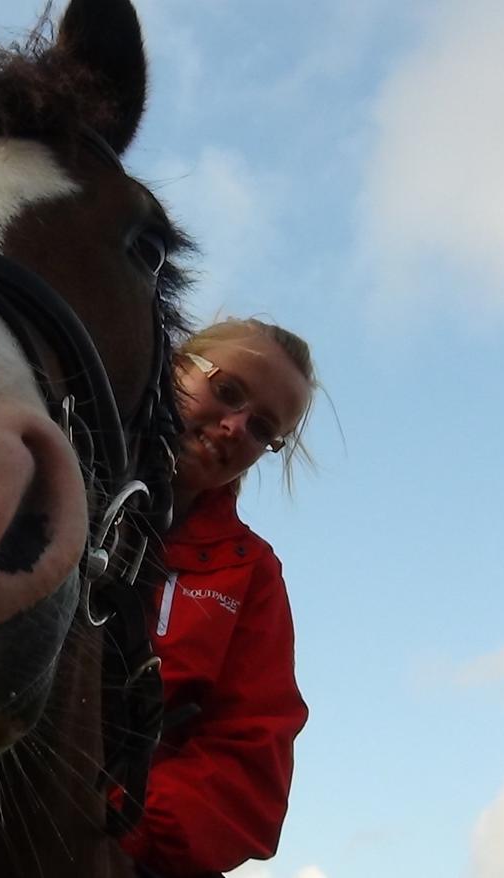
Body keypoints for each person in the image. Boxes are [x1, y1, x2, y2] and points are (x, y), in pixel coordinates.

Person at [120, 317, 317, 878]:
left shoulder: (251, 573)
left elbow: (252, 756)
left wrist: (116, 822)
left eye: (262, 429)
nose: (235, 427)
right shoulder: (50, 482)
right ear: (175, 366)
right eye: (226, 391)